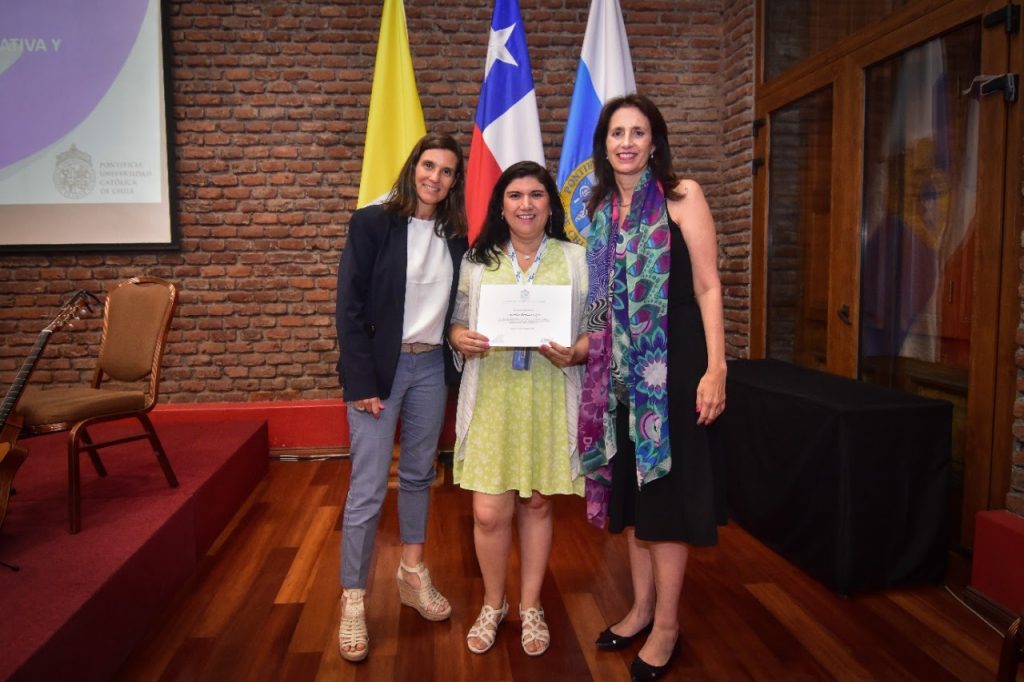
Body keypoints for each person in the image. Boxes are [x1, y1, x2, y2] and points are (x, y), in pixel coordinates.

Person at [578, 94, 727, 681]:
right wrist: (580, 349)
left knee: (664, 499)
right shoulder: (598, 210)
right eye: (617, 133)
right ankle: (640, 609)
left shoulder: (682, 196)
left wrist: (717, 368)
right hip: (618, 377)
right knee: (635, 503)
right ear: (604, 144)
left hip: (674, 368)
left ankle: (666, 626)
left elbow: (708, 286)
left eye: (638, 132)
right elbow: (600, 303)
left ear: (654, 142)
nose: (627, 143)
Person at [334, 132, 468, 662]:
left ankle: (412, 573)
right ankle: (353, 597)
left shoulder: (457, 235)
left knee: (417, 475)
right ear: (413, 167)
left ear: (455, 181)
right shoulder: (373, 223)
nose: (436, 177)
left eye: (447, 170)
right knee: (367, 488)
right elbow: (349, 307)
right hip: (380, 372)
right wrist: (361, 382)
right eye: (428, 165)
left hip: (431, 367)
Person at [448, 161, 589, 657]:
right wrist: (459, 338)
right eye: (515, 195)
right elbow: (457, 322)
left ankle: (531, 605)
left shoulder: (576, 259)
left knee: (539, 503)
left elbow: (595, 329)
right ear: (501, 206)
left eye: (536, 195)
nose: (526, 204)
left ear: (551, 205)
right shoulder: (476, 261)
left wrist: (578, 351)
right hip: (493, 394)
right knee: (489, 513)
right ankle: (494, 603)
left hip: (549, 393)